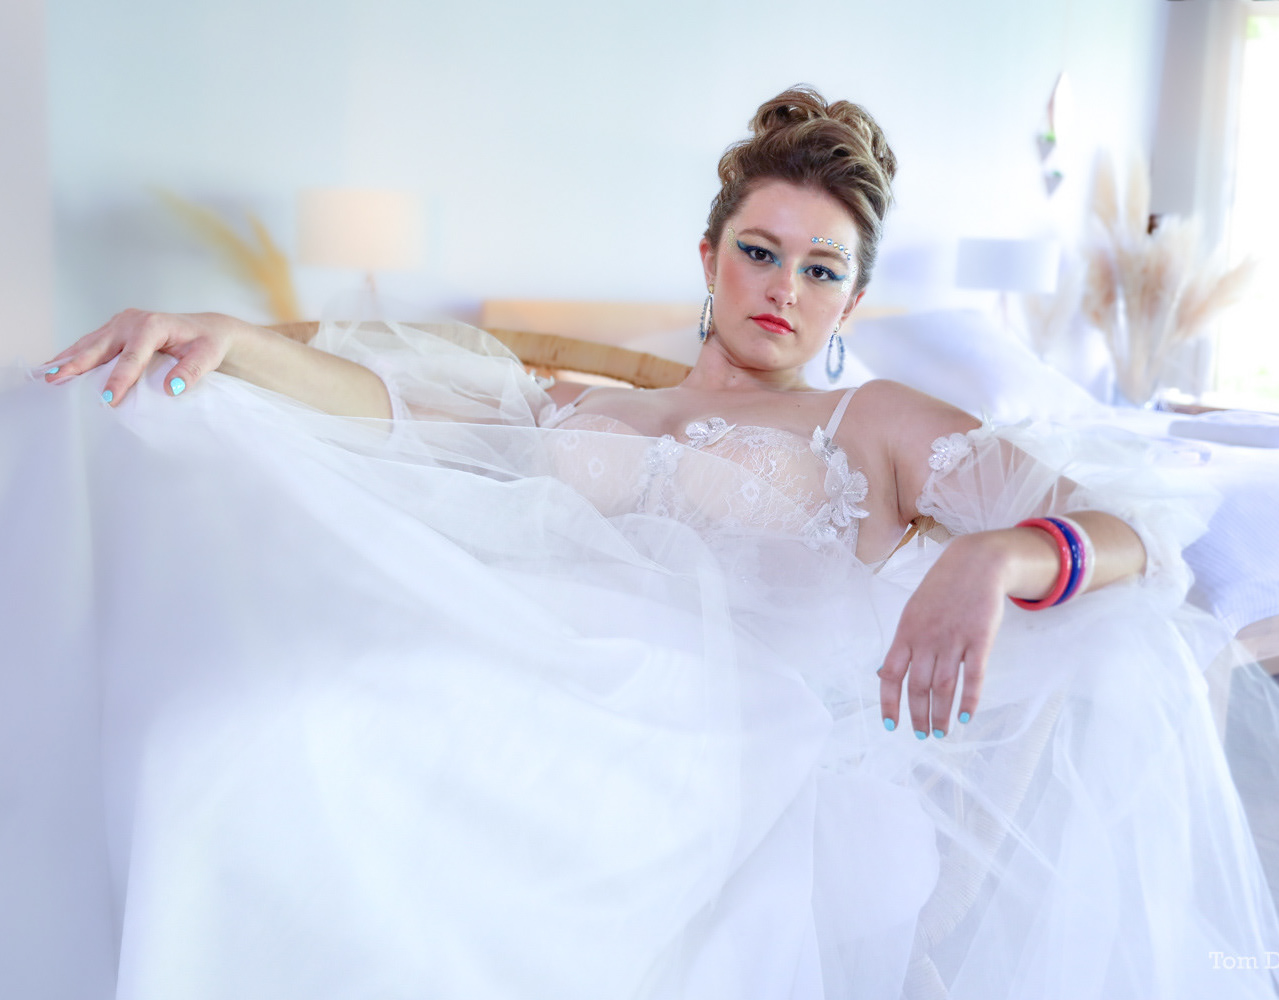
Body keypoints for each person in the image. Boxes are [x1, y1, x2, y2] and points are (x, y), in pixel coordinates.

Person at [1, 87, 1276, 999]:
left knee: (310, 742)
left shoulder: (873, 421)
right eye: (760, 252)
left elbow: (1135, 529)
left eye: (822, 270)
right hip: (535, 678)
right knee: (243, 719)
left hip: (729, 752)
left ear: (854, 298)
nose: (783, 288)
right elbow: (378, 399)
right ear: (709, 258)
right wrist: (230, 337)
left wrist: (991, 555)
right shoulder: (570, 401)